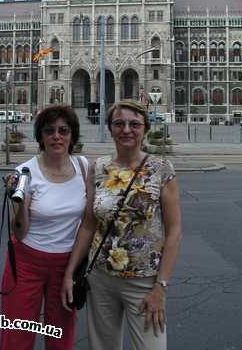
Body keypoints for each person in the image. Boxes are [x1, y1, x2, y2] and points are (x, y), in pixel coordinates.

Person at [62, 99, 182, 350]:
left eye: (134, 124)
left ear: (145, 128)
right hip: (100, 277)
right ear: (110, 128)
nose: (126, 129)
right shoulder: (98, 167)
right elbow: (88, 225)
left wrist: (160, 287)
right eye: (119, 123)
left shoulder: (161, 168)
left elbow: (174, 233)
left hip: (144, 281)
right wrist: (70, 272)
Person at [0, 105, 88, 350]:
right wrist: (20, 203)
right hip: (26, 262)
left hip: (66, 265)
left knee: (61, 337)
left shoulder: (84, 167)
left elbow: (90, 221)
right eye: (49, 131)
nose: (56, 136)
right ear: (40, 136)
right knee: (17, 335)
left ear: (72, 136)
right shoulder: (24, 172)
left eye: (63, 130)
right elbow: (20, 232)